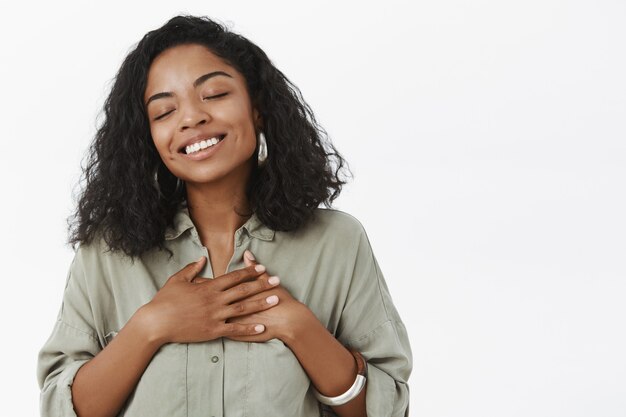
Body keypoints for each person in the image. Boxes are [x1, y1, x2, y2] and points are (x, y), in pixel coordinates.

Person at [37, 15, 412, 417]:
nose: (191, 117)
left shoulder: (337, 242)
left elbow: (388, 407)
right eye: (164, 112)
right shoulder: (105, 253)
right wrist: (151, 326)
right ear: (148, 139)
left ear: (258, 109)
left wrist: (299, 327)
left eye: (214, 93)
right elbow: (61, 408)